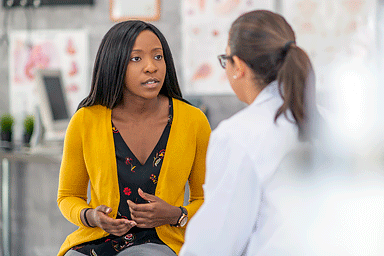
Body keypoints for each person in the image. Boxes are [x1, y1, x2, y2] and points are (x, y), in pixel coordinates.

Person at [57, 20, 211, 256]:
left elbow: (209, 198)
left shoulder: (194, 121)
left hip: (163, 242)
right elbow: (68, 196)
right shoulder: (85, 120)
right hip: (97, 240)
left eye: (158, 57)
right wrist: (91, 216)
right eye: (136, 58)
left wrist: (176, 214)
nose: (151, 67)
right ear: (114, 64)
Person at [180, 10, 314, 256]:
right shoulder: (325, 120)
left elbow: (214, 244)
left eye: (225, 59)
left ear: (238, 66)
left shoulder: (238, 135)